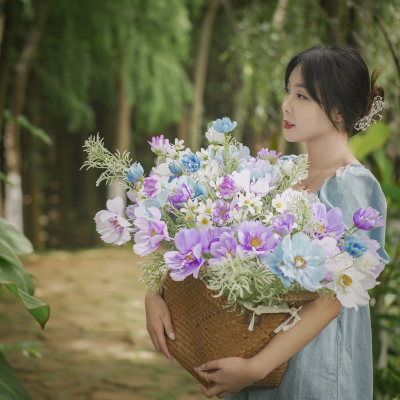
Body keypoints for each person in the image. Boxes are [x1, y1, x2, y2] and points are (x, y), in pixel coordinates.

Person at [145, 44, 390, 400]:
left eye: (302, 95)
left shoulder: (352, 184)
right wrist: (155, 292)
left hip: (313, 371)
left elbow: (333, 298)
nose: (286, 105)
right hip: (260, 360)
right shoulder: (282, 178)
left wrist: (256, 368)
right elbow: (215, 248)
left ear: (338, 110)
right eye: (287, 91)